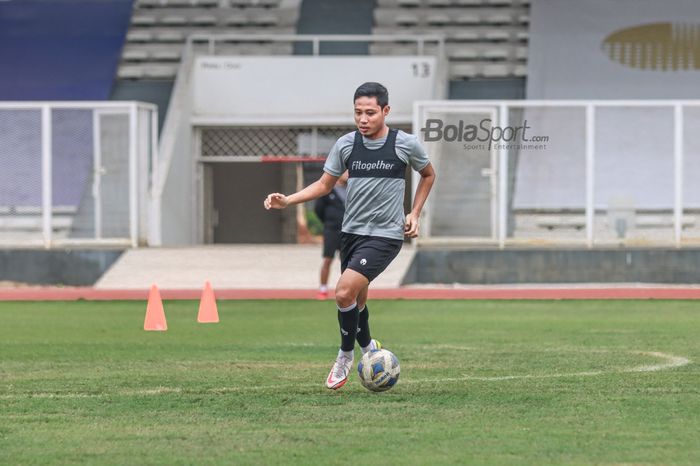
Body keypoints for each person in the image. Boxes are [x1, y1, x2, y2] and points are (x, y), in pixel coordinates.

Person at [264, 82, 435, 390]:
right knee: (355, 300)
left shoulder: (404, 144)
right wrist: (288, 200)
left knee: (343, 292)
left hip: (385, 235)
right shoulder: (346, 144)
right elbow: (324, 185)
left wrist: (415, 212)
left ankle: (344, 355)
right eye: (358, 112)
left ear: (385, 111)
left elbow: (428, 174)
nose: (363, 119)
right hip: (351, 233)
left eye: (370, 112)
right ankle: (368, 348)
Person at [314, 171, 348, 300]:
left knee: (347, 262)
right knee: (328, 259)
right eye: (345, 171)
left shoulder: (351, 188)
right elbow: (318, 210)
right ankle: (323, 289)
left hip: (347, 230)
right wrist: (329, 221)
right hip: (331, 230)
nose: (348, 174)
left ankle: (346, 289)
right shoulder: (328, 189)